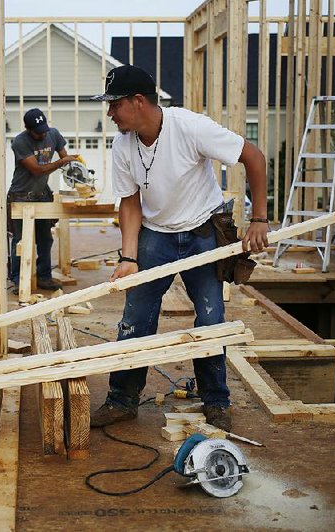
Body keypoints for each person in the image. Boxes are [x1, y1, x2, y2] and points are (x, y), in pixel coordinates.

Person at [89, 65, 269, 432]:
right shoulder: (123, 144)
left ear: (138, 101)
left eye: (115, 104)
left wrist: (260, 219)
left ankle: (216, 400)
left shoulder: (189, 127)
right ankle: (122, 399)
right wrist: (128, 257)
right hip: (156, 236)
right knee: (135, 319)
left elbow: (253, 156)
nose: (109, 113)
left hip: (203, 232)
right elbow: (130, 202)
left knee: (210, 319)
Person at [8, 108, 77, 294]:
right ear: (28, 129)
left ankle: (44, 276)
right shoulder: (20, 142)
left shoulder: (53, 134)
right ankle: (17, 279)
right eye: (38, 131)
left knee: (45, 239)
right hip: (21, 196)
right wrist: (60, 163)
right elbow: (37, 170)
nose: (42, 134)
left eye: (44, 130)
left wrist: (77, 173)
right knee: (21, 241)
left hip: (42, 194)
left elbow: (66, 160)